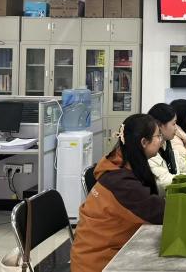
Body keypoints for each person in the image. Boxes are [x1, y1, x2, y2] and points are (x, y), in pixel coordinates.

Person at [71, 114, 165, 272]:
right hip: (99, 264)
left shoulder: (117, 164)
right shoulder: (122, 184)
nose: (161, 140)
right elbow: (160, 213)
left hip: (97, 254)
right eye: (158, 136)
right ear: (143, 142)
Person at [146, 103, 182, 194]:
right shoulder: (149, 152)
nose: (176, 128)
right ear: (159, 125)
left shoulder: (166, 145)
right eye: (174, 124)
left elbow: (181, 163)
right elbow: (165, 182)